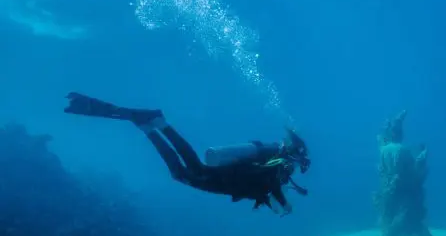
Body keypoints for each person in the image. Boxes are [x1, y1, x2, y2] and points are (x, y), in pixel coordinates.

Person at [62, 92, 310, 216]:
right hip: (226, 178)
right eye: (301, 162)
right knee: (192, 168)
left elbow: (266, 185)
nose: (299, 168)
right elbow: (269, 181)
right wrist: (284, 203)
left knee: (182, 172)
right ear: (296, 155)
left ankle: (151, 127)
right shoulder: (280, 162)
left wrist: (277, 199)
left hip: (226, 181)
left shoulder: (279, 164)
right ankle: (158, 124)